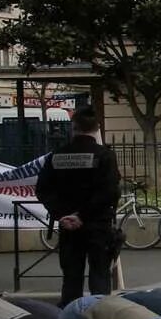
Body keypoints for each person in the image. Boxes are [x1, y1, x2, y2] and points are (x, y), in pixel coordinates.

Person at [34, 106, 119, 306]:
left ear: (74, 127)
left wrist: (62, 214)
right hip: (97, 225)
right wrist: (83, 215)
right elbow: (109, 192)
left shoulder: (57, 155)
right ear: (97, 128)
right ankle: (100, 318)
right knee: (99, 275)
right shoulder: (105, 155)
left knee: (71, 277)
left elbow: (43, 189)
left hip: (68, 227)